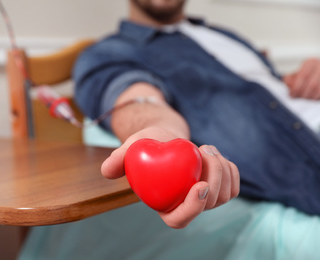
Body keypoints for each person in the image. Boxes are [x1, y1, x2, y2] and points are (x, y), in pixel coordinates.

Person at [18, 1, 320, 259]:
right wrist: (158, 131)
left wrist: (305, 78)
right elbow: (135, 97)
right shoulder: (109, 52)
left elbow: (271, 94)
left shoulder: (226, 36)